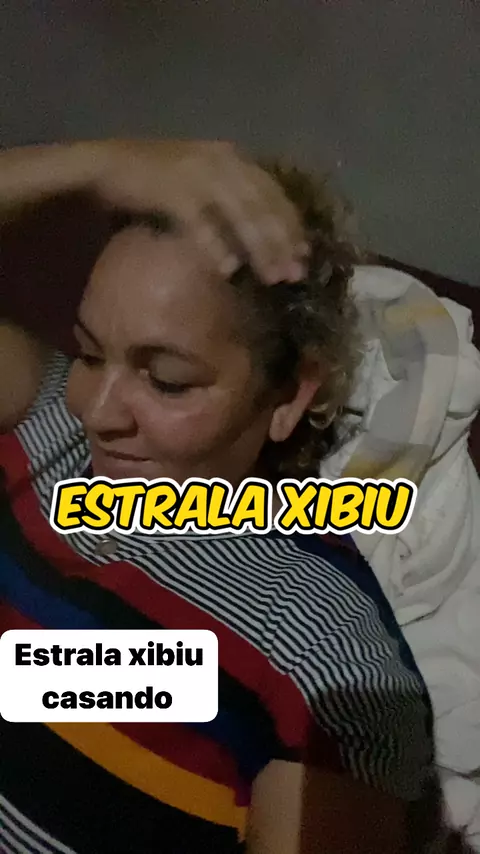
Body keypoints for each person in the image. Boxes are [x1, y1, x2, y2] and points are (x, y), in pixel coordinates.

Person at [0, 139, 451, 854]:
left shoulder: (318, 646)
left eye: (168, 380)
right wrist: (98, 164)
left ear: (289, 395)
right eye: (89, 353)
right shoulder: (48, 419)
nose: (99, 412)